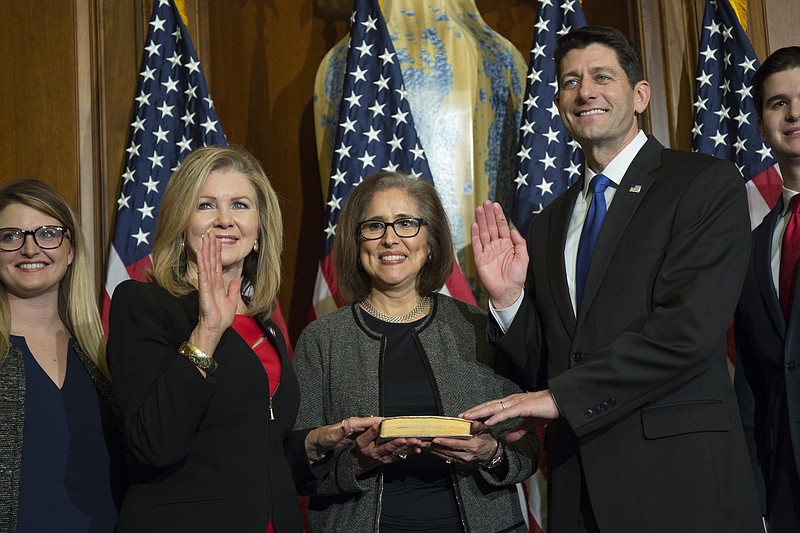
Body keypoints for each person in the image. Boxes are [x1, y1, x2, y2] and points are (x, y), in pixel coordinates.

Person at [462, 26, 763, 532]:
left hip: (678, 482)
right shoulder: (547, 222)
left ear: (640, 94)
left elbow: (687, 330)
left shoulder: (703, 184)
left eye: (603, 76)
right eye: (571, 81)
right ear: (559, 102)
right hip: (577, 483)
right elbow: (552, 364)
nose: (586, 92)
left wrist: (559, 399)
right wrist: (510, 299)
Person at [107, 145, 362, 532]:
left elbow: (255, 447)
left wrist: (315, 443)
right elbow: (153, 444)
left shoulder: (266, 326)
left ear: (258, 230)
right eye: (206, 205)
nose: (225, 220)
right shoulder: (144, 305)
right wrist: (207, 332)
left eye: (240, 205)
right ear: (181, 222)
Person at [292, 171, 539, 533]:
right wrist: (358, 462)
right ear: (357, 241)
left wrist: (490, 453)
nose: (390, 239)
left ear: (431, 243)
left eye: (406, 223)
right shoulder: (321, 339)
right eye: (375, 225)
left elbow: (528, 447)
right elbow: (295, 466)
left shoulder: (477, 327)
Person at [0, 179, 127, 532]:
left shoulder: (103, 358)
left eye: (48, 233)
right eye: (11, 236)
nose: (30, 249)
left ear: (70, 251)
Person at [734, 46, 800, 532]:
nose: (795, 113)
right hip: (784, 493)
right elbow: (754, 386)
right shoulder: (754, 247)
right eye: (779, 103)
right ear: (762, 126)